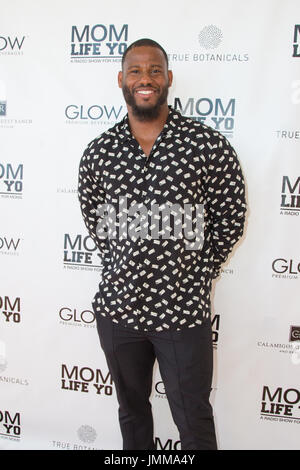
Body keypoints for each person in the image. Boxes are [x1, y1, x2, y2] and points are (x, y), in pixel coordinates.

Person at [78, 38, 247, 450]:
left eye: (154, 70)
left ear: (169, 78)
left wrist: (196, 271)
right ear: (121, 79)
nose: (145, 78)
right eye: (135, 70)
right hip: (119, 311)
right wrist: (126, 262)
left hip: (182, 311)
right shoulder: (99, 153)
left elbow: (230, 216)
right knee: (132, 414)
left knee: (193, 420)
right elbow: (97, 220)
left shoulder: (206, 145)